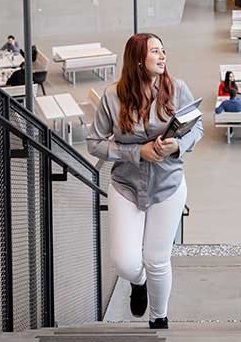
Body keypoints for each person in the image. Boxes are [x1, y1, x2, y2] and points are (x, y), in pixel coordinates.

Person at [87, 33, 203, 329]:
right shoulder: (112, 97)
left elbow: (197, 127)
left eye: (164, 50)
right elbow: (94, 143)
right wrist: (137, 151)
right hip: (126, 186)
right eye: (155, 52)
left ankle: (159, 319)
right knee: (125, 263)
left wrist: (177, 146)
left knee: (157, 259)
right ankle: (138, 282)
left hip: (168, 186)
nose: (163, 56)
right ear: (138, 59)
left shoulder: (178, 89)